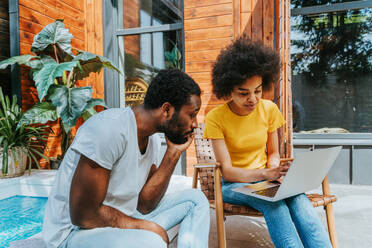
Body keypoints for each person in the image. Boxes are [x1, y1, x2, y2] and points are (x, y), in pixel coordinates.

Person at [42, 69, 210, 248]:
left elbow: (145, 205)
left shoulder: (151, 139)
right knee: (151, 242)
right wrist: (144, 227)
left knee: (196, 200)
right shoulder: (108, 130)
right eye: (192, 114)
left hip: (118, 220)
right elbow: (84, 215)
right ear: (167, 109)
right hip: (73, 233)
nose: (195, 124)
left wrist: (173, 153)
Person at [204, 36, 332, 248]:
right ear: (228, 90)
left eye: (258, 90)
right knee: (274, 205)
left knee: (298, 198)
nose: (253, 99)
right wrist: (265, 174)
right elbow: (227, 171)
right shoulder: (216, 118)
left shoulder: (269, 109)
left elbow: (273, 153)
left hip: (265, 180)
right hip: (233, 184)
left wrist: (276, 172)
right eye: (243, 93)